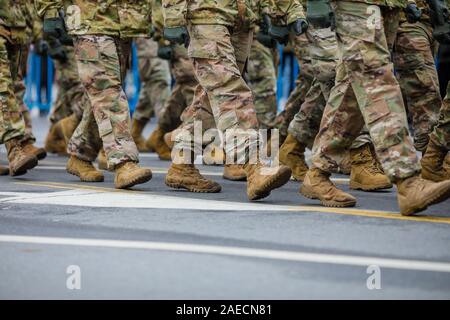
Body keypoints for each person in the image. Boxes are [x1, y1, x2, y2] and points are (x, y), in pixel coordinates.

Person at [299, 0, 450, 216]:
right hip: (355, 3)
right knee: (378, 81)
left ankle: (318, 170)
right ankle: (407, 180)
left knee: (353, 89)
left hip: (389, 4)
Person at [162, 0, 308, 200]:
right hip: (206, 15)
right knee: (229, 90)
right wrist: (172, 15)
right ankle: (255, 165)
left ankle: (182, 162)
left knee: (211, 95)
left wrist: (288, 10)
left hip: (242, 18)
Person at [36, 0, 153, 189]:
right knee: (107, 91)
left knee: (104, 92)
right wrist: (49, 9)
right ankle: (123, 161)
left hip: (125, 20)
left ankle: (81, 153)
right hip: (88, 16)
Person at [0, 0, 39, 176]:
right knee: (3, 87)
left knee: (13, 89)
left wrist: (36, 28)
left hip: (16, 25)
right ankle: (14, 148)